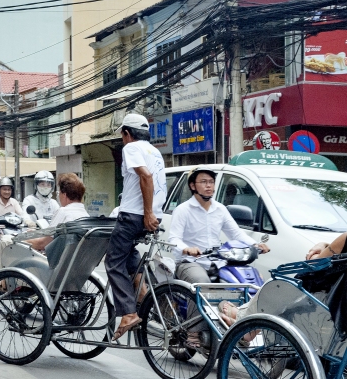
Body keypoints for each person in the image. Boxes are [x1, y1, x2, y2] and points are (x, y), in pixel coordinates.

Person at [105, 113, 166, 340]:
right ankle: (141, 295)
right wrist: (151, 214)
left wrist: (147, 212)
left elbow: (146, 177)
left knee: (112, 262)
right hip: (150, 216)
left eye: (122, 135)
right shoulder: (155, 151)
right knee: (127, 254)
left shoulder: (131, 148)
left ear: (127, 134)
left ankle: (128, 312)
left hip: (134, 215)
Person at [219, 232, 347, 327]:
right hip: (340, 313)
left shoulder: (345, 238)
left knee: (275, 286)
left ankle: (244, 321)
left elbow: (315, 264)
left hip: (328, 304)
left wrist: (322, 247)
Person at [169, 168, 270, 285]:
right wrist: (186, 249)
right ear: (192, 186)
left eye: (211, 182)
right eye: (203, 182)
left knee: (244, 281)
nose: (208, 186)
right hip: (190, 262)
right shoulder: (183, 210)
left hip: (218, 262)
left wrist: (255, 245)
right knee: (202, 284)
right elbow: (174, 239)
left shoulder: (220, 209)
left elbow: (235, 234)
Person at [26, 173, 89, 253]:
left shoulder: (64, 212)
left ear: (64, 195)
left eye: (59, 193)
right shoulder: (85, 215)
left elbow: (43, 243)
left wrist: (26, 240)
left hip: (57, 262)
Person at [0, 177, 34, 250]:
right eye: (4, 189)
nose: (7, 192)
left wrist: (28, 221)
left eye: (9, 189)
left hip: (12, 230)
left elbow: (21, 214)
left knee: (24, 241)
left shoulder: (14, 202)